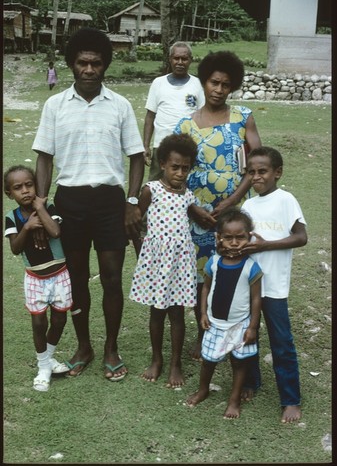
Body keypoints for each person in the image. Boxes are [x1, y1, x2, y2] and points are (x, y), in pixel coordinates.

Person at [32, 27, 145, 381]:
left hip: (111, 203)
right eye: (82, 62)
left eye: (96, 63)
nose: (90, 69)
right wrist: (41, 205)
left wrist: (130, 201)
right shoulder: (55, 105)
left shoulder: (121, 105)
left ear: (105, 65)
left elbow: (137, 157)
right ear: (72, 65)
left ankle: (111, 348)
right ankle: (84, 346)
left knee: (112, 279)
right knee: (76, 280)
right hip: (70, 202)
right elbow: (45, 159)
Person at [174, 50, 262, 360]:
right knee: (204, 276)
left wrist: (232, 201)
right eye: (214, 82)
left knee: (234, 270)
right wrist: (194, 209)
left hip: (234, 214)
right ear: (204, 81)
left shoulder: (243, 117)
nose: (219, 90)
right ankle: (204, 333)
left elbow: (257, 164)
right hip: (198, 214)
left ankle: (237, 334)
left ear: (232, 86)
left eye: (226, 85)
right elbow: (175, 173)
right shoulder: (185, 126)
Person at [129, 134, 214, 388]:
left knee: (177, 313)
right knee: (156, 313)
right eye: (174, 167)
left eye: (185, 168)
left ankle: (175, 363)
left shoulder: (187, 196)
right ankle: (157, 359)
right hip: (156, 261)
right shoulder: (150, 190)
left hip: (180, 262)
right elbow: (134, 222)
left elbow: (197, 217)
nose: (179, 173)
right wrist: (141, 252)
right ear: (163, 164)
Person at [241, 146, 307, 423]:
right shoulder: (248, 205)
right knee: (247, 336)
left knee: (281, 343)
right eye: (251, 172)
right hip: (248, 286)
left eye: (263, 171)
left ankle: (290, 399)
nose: (256, 177)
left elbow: (301, 236)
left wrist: (267, 245)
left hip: (274, 287)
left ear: (277, 172)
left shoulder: (285, 200)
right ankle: (251, 381)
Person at [186, 207, 262, 418]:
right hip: (215, 323)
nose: (235, 243)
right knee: (208, 360)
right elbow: (206, 289)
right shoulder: (214, 262)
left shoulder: (251, 267)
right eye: (229, 238)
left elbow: (256, 299)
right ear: (219, 238)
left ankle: (234, 399)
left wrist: (253, 327)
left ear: (250, 237)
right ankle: (203, 390)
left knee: (239, 363)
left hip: (240, 325)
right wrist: (202, 314)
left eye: (240, 237)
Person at [4, 165, 72, 392]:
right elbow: (14, 248)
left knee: (60, 320)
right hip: (35, 278)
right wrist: (28, 227)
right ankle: (43, 367)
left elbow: (55, 231)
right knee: (39, 322)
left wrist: (39, 207)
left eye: (29, 185)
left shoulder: (49, 208)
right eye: (18, 188)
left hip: (60, 274)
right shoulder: (11, 217)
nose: (25, 190)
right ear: (9, 193)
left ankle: (49, 357)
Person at [143, 41, 205, 181]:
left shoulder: (198, 84)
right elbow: (150, 117)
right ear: (170, 59)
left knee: (187, 185)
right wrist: (146, 146)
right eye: (176, 58)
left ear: (191, 60)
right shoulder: (158, 83)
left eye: (184, 59)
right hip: (161, 145)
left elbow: (203, 117)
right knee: (156, 185)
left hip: (189, 147)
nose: (180, 62)